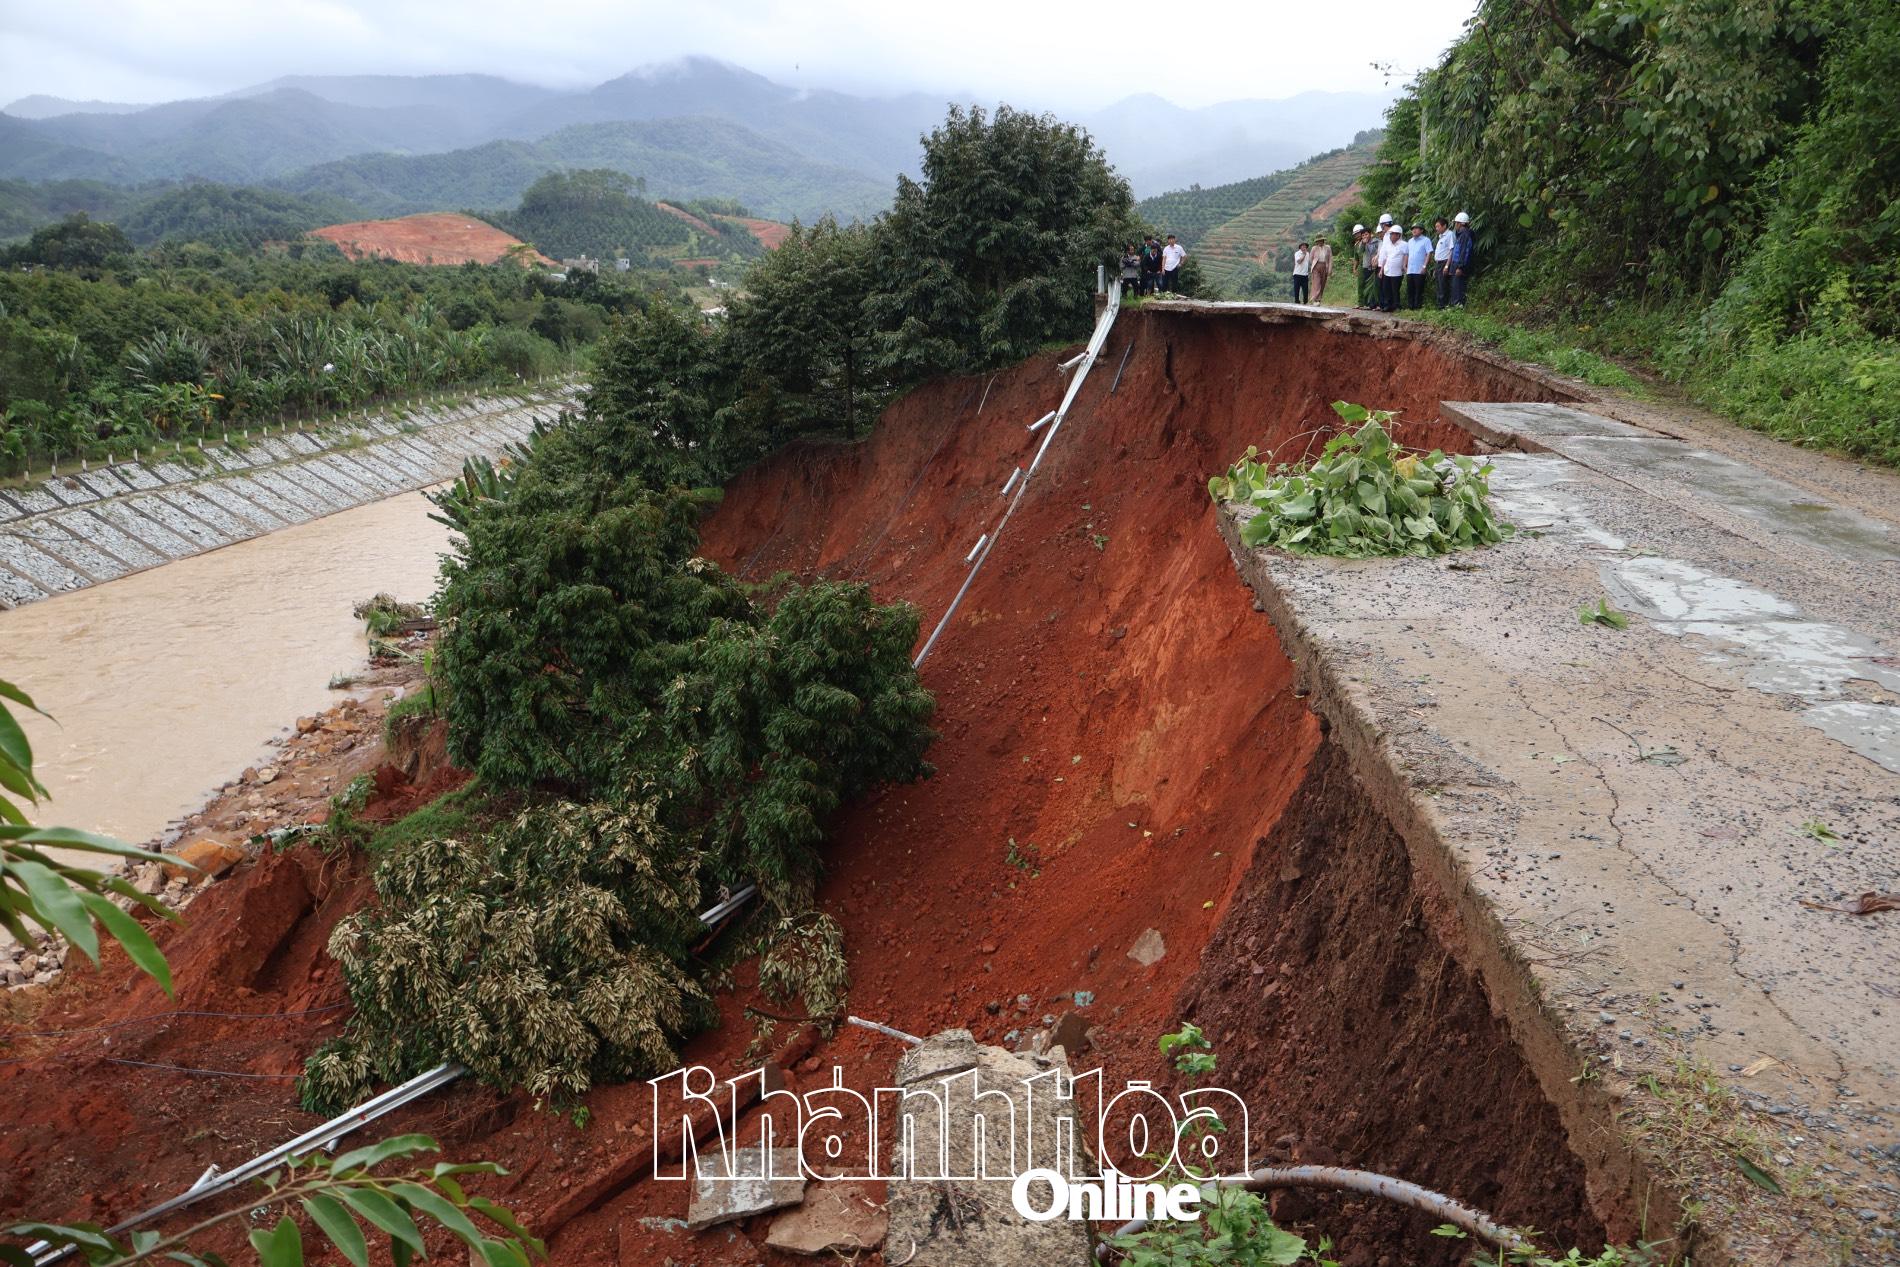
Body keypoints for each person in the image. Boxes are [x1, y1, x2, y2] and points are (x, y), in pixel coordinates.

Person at [1449, 211, 1474, 306]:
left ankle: (1458, 307)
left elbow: (1464, 252)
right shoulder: (1461, 234)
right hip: (1457, 264)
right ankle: (1456, 306)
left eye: (1456, 223)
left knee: (1458, 287)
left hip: (1460, 266)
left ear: (1460, 224)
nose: (1455, 225)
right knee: (1455, 286)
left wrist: (1460, 267)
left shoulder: (1465, 235)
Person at [1404, 223, 1432, 309]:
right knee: (1410, 289)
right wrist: (1405, 265)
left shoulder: (1426, 240)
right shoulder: (1410, 241)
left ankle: (1418, 307)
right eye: (1413, 229)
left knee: (1419, 289)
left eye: (1416, 228)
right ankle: (1410, 306)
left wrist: (1424, 266)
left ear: (1421, 230)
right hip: (1410, 269)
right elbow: (1407, 254)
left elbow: (1429, 253)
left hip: (1419, 269)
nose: (1414, 230)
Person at [1380, 224, 1405, 312]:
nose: (1391, 236)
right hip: (1387, 271)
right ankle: (1387, 305)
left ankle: (1397, 306)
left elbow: (1406, 256)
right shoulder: (1388, 245)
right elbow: (1385, 258)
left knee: (1395, 290)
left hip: (1397, 272)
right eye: (1391, 234)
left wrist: (1405, 266)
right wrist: (1381, 269)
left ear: (1398, 235)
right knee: (1386, 289)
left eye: (1393, 234)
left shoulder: (1404, 245)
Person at [1431, 217, 1453, 307]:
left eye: (1438, 226)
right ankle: (1440, 304)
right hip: (1439, 263)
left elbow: (1452, 250)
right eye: (1436, 227)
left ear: (1444, 226)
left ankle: (1444, 305)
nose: (1436, 228)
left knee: (1443, 284)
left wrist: (1447, 266)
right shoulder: (1440, 237)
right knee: (1439, 284)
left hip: (1445, 263)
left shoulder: (1449, 235)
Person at [1356, 225, 1378, 308]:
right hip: (1365, 267)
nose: (1365, 236)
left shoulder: (1375, 242)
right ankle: (1366, 303)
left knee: (1373, 285)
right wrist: (1364, 244)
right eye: (1363, 235)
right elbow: (1360, 252)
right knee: (1366, 285)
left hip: (1374, 266)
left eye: (1366, 234)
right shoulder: (1361, 244)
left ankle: (1373, 303)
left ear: (1370, 234)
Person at [1309, 235, 1333, 303]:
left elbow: (1330, 258)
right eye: (1318, 241)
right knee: (1317, 283)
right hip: (1316, 267)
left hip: (1325, 266)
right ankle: (1315, 299)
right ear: (1316, 242)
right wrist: (1314, 264)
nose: (1319, 242)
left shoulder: (1328, 247)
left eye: (1321, 240)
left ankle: (1319, 299)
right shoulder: (1314, 248)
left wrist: (1330, 269)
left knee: (1322, 283)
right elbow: (1311, 259)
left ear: (1323, 240)